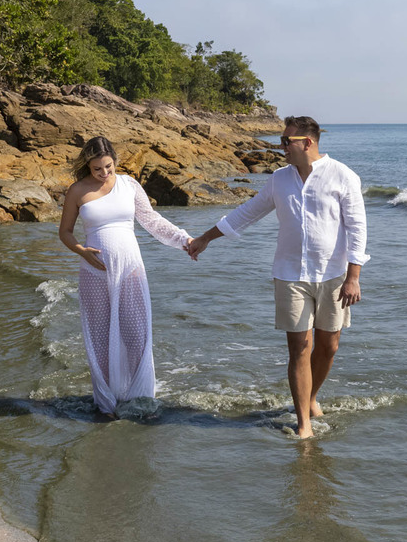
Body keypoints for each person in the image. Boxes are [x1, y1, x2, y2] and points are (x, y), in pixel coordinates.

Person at [186, 115, 368, 438]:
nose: (281, 146)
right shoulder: (279, 180)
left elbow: (357, 228)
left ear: (307, 143)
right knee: (299, 348)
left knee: (329, 346)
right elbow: (246, 213)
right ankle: (304, 424)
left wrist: (354, 276)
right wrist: (205, 238)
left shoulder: (343, 176)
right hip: (289, 275)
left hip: (334, 276)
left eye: (286, 141)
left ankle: (310, 397)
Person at [58, 136, 192, 416]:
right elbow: (65, 232)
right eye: (97, 169)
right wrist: (81, 251)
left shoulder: (129, 185)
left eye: (109, 166)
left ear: (115, 161)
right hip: (94, 272)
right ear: (87, 165)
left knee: (136, 335)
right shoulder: (77, 190)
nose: (104, 173)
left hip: (131, 268)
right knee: (100, 338)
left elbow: (152, 221)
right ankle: (106, 402)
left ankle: (141, 399)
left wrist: (184, 240)